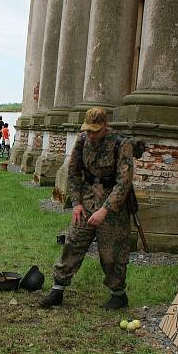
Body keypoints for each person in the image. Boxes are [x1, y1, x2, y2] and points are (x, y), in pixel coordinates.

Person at [39, 107, 135, 311]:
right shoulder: (82, 140)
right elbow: (73, 173)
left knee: (111, 254)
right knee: (73, 242)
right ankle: (57, 289)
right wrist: (76, 204)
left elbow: (124, 183)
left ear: (105, 126)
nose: (91, 135)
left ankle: (118, 294)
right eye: (88, 130)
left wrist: (105, 210)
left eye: (95, 131)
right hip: (87, 201)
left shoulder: (121, 144)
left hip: (112, 207)